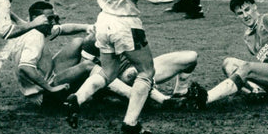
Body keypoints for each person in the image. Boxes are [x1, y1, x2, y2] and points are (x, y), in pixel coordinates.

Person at [64, 0, 194, 134]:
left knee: (108, 71)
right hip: (125, 23)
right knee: (147, 71)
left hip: (103, 21)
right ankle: (130, 123)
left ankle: (77, 98)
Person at [186, 0, 268, 109]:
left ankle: (205, 98)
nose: (245, 15)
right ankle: (257, 92)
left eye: (247, 9)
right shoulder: (248, 37)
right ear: (237, 16)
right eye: (240, 13)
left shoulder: (267, 20)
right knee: (228, 63)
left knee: (247, 67)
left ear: (254, 6)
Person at [66, 30, 199, 108]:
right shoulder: (95, 38)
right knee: (131, 74)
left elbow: (144, 63)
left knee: (190, 57)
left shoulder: (133, 28)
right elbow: (89, 70)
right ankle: (161, 100)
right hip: (115, 82)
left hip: (138, 73)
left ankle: (180, 92)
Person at [11, 1, 93, 107]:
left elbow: (63, 28)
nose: (53, 22)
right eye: (49, 19)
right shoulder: (34, 37)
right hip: (46, 93)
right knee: (88, 66)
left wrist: (87, 27)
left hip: (48, 76)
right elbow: (25, 67)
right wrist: (51, 89)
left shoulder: (34, 28)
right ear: (36, 18)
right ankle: (116, 89)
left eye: (53, 18)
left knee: (77, 42)